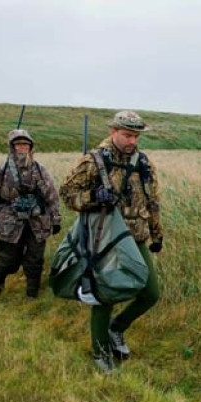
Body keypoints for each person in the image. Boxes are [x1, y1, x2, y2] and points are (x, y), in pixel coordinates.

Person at [59, 110, 163, 374]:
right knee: (105, 294)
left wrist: (156, 233)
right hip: (104, 237)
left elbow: (152, 200)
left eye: (136, 136)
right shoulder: (94, 161)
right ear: (113, 132)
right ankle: (101, 352)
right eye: (127, 135)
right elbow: (68, 194)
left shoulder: (143, 162)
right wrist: (95, 196)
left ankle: (117, 328)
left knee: (151, 293)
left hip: (135, 236)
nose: (132, 141)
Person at [0, 129, 62, 298]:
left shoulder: (40, 170)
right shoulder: (1, 171)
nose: (22, 148)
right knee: (8, 261)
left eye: (26, 144)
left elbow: (51, 196)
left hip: (37, 221)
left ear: (31, 147)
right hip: (9, 222)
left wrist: (55, 219)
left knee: (35, 261)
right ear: (12, 147)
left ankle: (32, 296)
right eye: (18, 144)